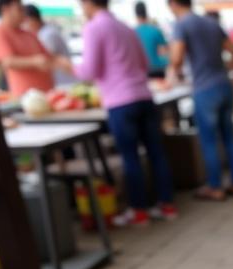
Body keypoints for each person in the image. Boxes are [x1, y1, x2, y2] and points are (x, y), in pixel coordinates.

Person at [61, 0, 175, 226]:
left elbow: (89, 71)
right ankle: (167, 205)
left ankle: (139, 211)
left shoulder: (94, 28)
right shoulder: (125, 27)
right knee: (156, 153)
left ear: (87, 4)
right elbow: (144, 64)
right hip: (144, 96)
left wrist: (66, 65)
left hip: (120, 102)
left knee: (130, 157)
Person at [167, 0, 233, 200]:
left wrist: (169, 79)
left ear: (173, 4)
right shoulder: (211, 22)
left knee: (209, 141)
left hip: (204, 89)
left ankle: (215, 187)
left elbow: (176, 59)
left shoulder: (182, 25)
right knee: (229, 138)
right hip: (224, 85)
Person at [0, 0, 55, 97]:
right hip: (26, 95)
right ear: (5, 9)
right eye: (19, 9)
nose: (23, 12)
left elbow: (48, 55)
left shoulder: (28, 32)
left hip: (48, 91)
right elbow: (7, 61)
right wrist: (35, 61)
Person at [22, 4, 77, 85]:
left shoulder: (48, 34)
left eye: (25, 22)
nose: (25, 26)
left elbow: (45, 59)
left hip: (64, 81)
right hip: (62, 80)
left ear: (32, 19)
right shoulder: (45, 32)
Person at [133, 1, 168, 79]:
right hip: (159, 70)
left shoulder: (133, 33)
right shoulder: (155, 30)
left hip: (142, 72)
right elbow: (165, 51)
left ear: (135, 14)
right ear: (146, 12)